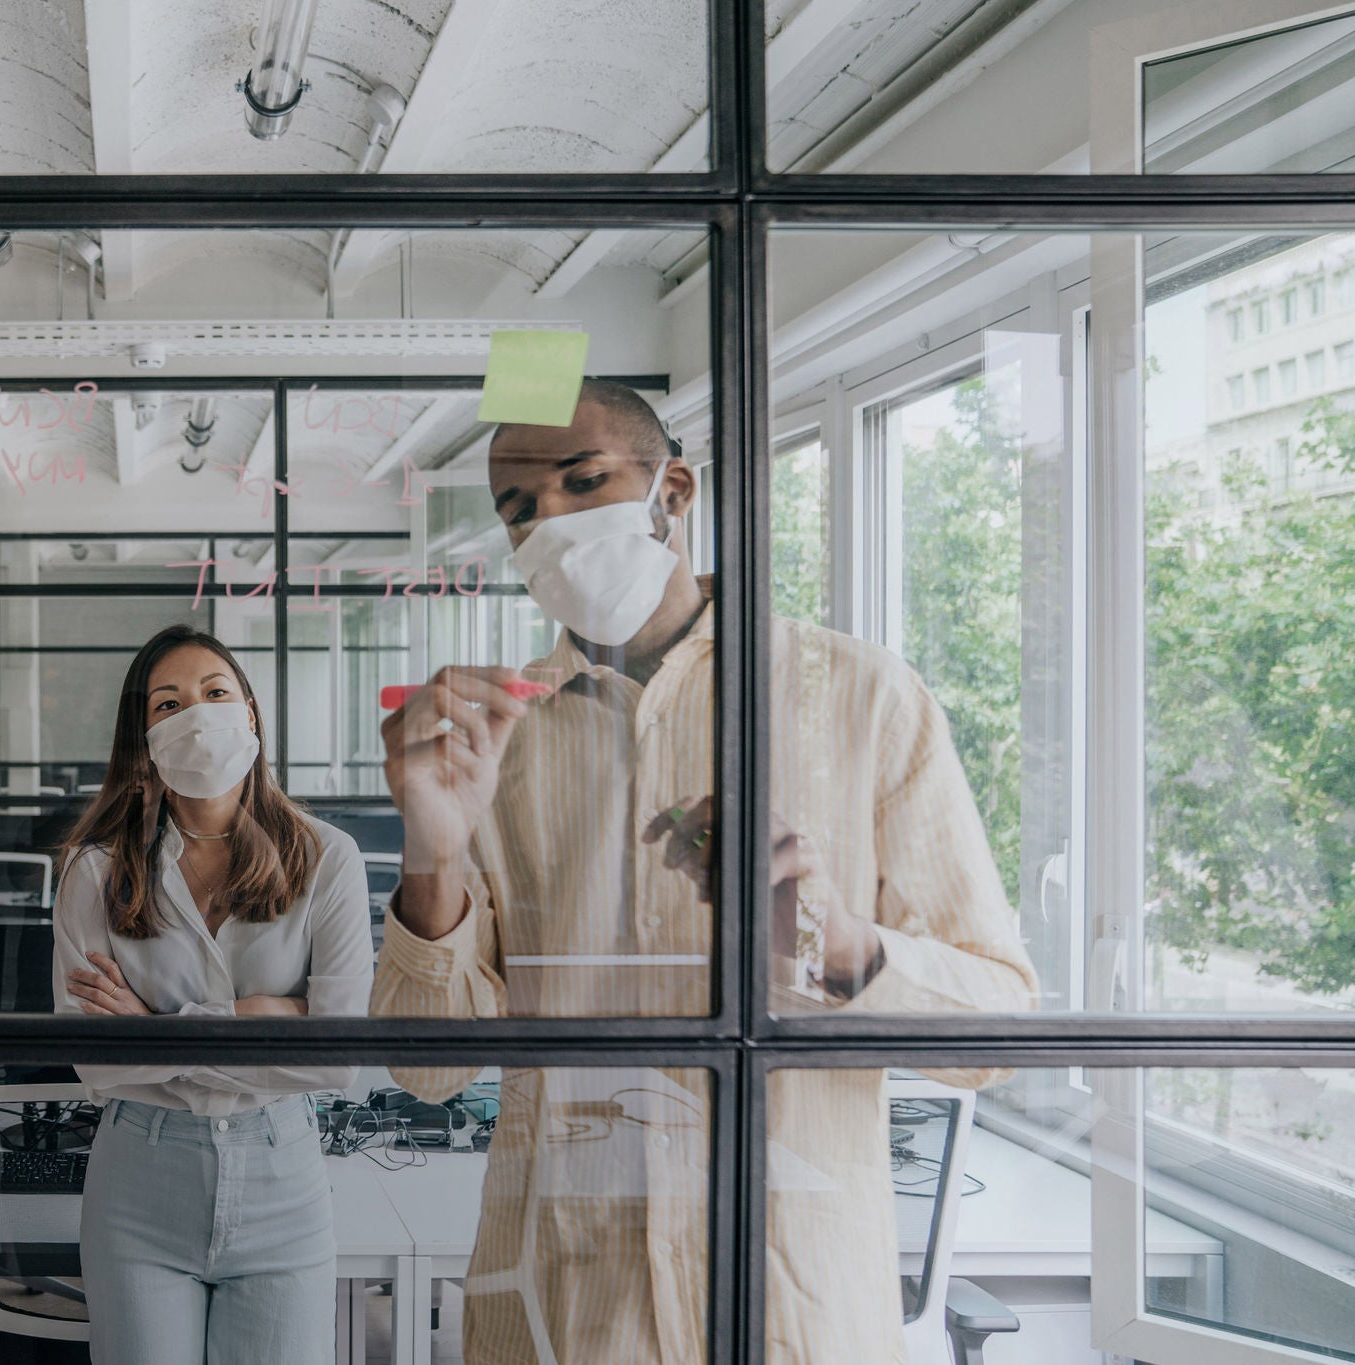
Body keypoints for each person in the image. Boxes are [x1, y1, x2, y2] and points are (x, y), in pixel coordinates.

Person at [371, 380, 1038, 1363]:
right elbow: (426, 1070)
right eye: (518, 510)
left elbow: (995, 1033)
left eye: (580, 481)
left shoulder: (858, 698)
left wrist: (832, 944)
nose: (547, 522)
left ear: (671, 492)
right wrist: (430, 851)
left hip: (788, 1307)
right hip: (563, 1304)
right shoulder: (489, 741)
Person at [52, 625, 373, 1365]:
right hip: (139, 1177)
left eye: (216, 693)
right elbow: (97, 1063)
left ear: (251, 714)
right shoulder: (93, 871)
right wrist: (271, 1017)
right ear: (145, 736)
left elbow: (337, 1059)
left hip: (281, 1172)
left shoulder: (328, 857)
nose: (196, 714)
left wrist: (161, 1027)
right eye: (169, 703)